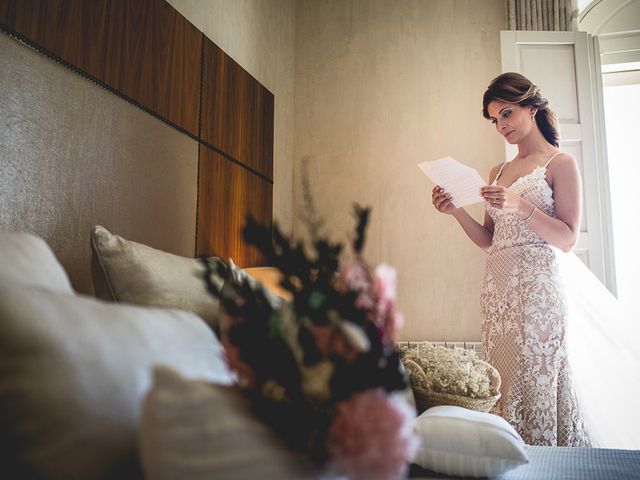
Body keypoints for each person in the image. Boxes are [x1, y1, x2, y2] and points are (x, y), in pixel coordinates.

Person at [432, 72, 592, 447]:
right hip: (497, 293)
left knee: (535, 382)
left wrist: (521, 207)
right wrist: (456, 211)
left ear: (531, 107)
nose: (501, 126)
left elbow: (567, 239)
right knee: (502, 382)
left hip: (538, 296)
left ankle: (547, 463)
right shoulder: (497, 172)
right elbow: (491, 241)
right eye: (495, 120)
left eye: (506, 114)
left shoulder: (561, 163)